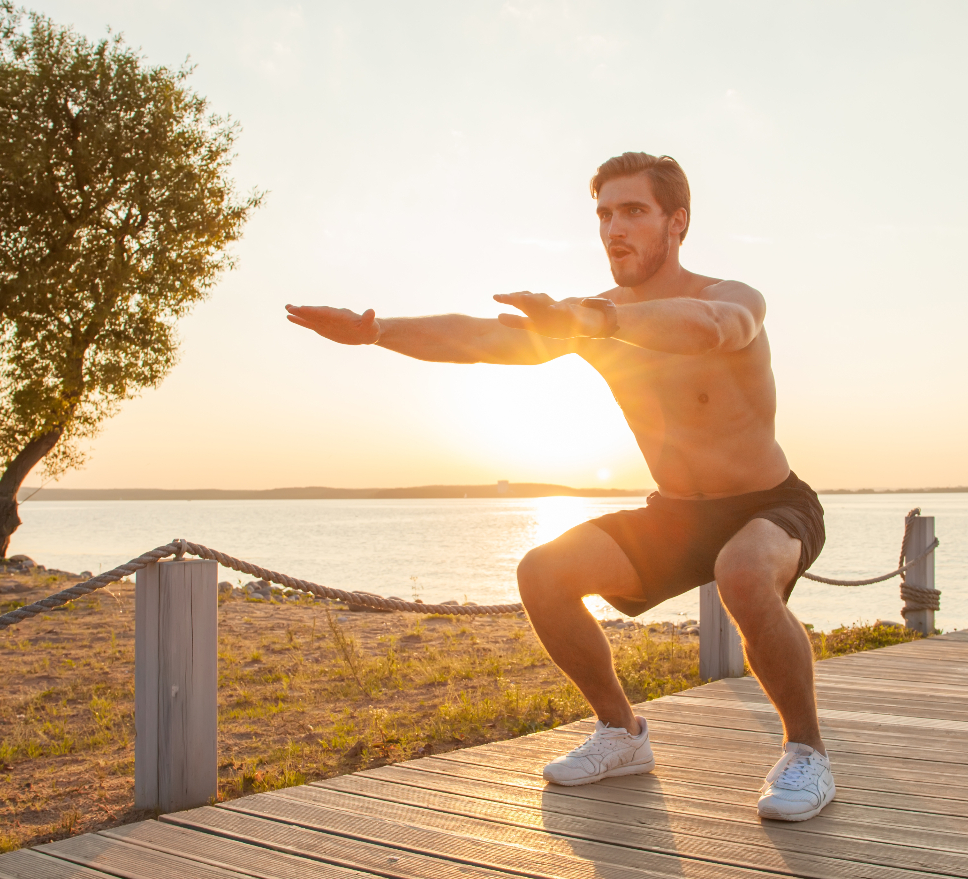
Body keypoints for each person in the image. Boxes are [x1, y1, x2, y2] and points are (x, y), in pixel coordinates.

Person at [286, 151, 835, 821]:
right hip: (677, 514)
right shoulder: (591, 314)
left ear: (677, 221)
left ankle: (806, 750)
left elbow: (714, 330)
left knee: (743, 573)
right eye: (604, 213)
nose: (614, 228)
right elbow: (482, 338)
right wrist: (375, 332)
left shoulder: (729, 296)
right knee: (543, 572)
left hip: (770, 504)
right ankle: (621, 733)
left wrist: (596, 322)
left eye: (634, 210)